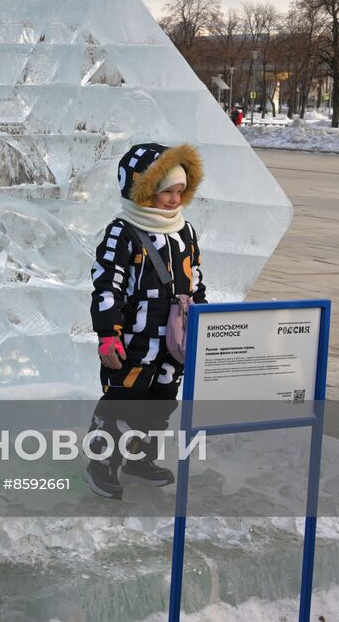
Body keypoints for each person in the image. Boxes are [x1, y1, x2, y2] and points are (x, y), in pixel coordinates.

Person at [83, 142, 206, 500]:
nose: (173, 200)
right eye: (165, 191)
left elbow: (195, 279)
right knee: (123, 403)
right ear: (143, 189)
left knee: (161, 402)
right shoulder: (123, 232)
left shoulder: (185, 232)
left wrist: (202, 321)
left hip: (173, 343)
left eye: (179, 192)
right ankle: (102, 462)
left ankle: (140, 458)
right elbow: (107, 285)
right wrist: (109, 334)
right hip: (135, 342)